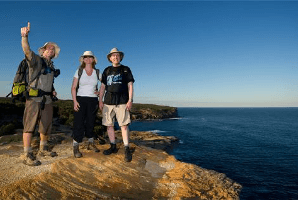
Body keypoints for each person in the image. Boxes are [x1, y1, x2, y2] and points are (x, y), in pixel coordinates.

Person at [20, 22, 60, 166]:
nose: (50, 50)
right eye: (47, 48)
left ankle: (43, 148)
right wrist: (24, 37)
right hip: (34, 98)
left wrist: (52, 90)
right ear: (42, 51)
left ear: (54, 54)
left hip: (47, 99)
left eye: (52, 49)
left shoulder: (51, 66)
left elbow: (47, 81)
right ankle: (27, 154)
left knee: (46, 125)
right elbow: (27, 51)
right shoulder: (36, 60)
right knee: (29, 125)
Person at [99, 47, 135, 162]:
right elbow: (103, 87)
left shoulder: (125, 69)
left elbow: (130, 85)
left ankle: (126, 148)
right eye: (113, 55)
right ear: (110, 58)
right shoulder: (107, 70)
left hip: (122, 101)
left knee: (124, 126)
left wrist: (130, 100)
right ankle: (113, 146)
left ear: (120, 57)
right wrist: (100, 100)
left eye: (117, 55)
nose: (115, 57)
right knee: (109, 125)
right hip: (108, 101)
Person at [71, 51, 102, 158]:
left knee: (91, 122)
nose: (88, 59)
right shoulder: (79, 71)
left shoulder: (97, 72)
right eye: (86, 57)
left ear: (93, 59)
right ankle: (76, 146)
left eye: (90, 57)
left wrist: (100, 93)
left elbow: (105, 84)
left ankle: (90, 142)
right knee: (78, 122)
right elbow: (74, 87)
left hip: (93, 100)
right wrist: (75, 101)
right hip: (80, 99)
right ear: (83, 60)